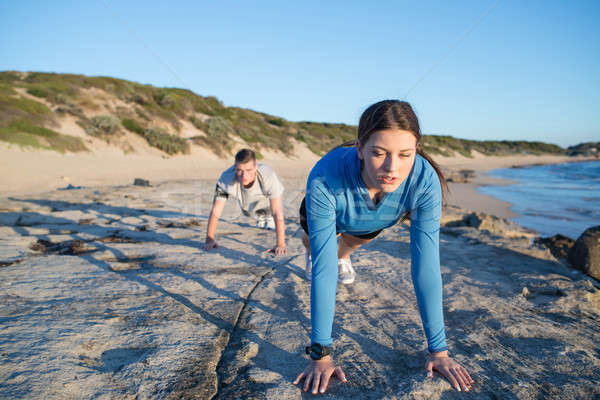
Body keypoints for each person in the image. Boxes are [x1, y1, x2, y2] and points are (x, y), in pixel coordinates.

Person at [293, 100, 474, 394]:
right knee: (319, 254)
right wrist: (320, 355)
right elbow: (323, 273)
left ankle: (343, 255)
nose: (392, 168)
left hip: (372, 220)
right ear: (360, 148)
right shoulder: (325, 177)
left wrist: (439, 352)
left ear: (416, 149)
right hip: (330, 209)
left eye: (405, 154)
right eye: (379, 153)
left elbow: (426, 266)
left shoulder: (425, 180)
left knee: (356, 239)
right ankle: (315, 248)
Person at [203, 148, 287, 255]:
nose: (244, 176)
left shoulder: (268, 176)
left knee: (269, 210)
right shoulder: (225, 179)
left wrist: (280, 244)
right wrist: (209, 239)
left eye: (248, 170)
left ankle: (265, 215)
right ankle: (260, 215)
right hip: (246, 201)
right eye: (239, 170)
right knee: (248, 212)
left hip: (264, 195)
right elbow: (216, 210)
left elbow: (277, 211)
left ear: (256, 167)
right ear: (234, 167)